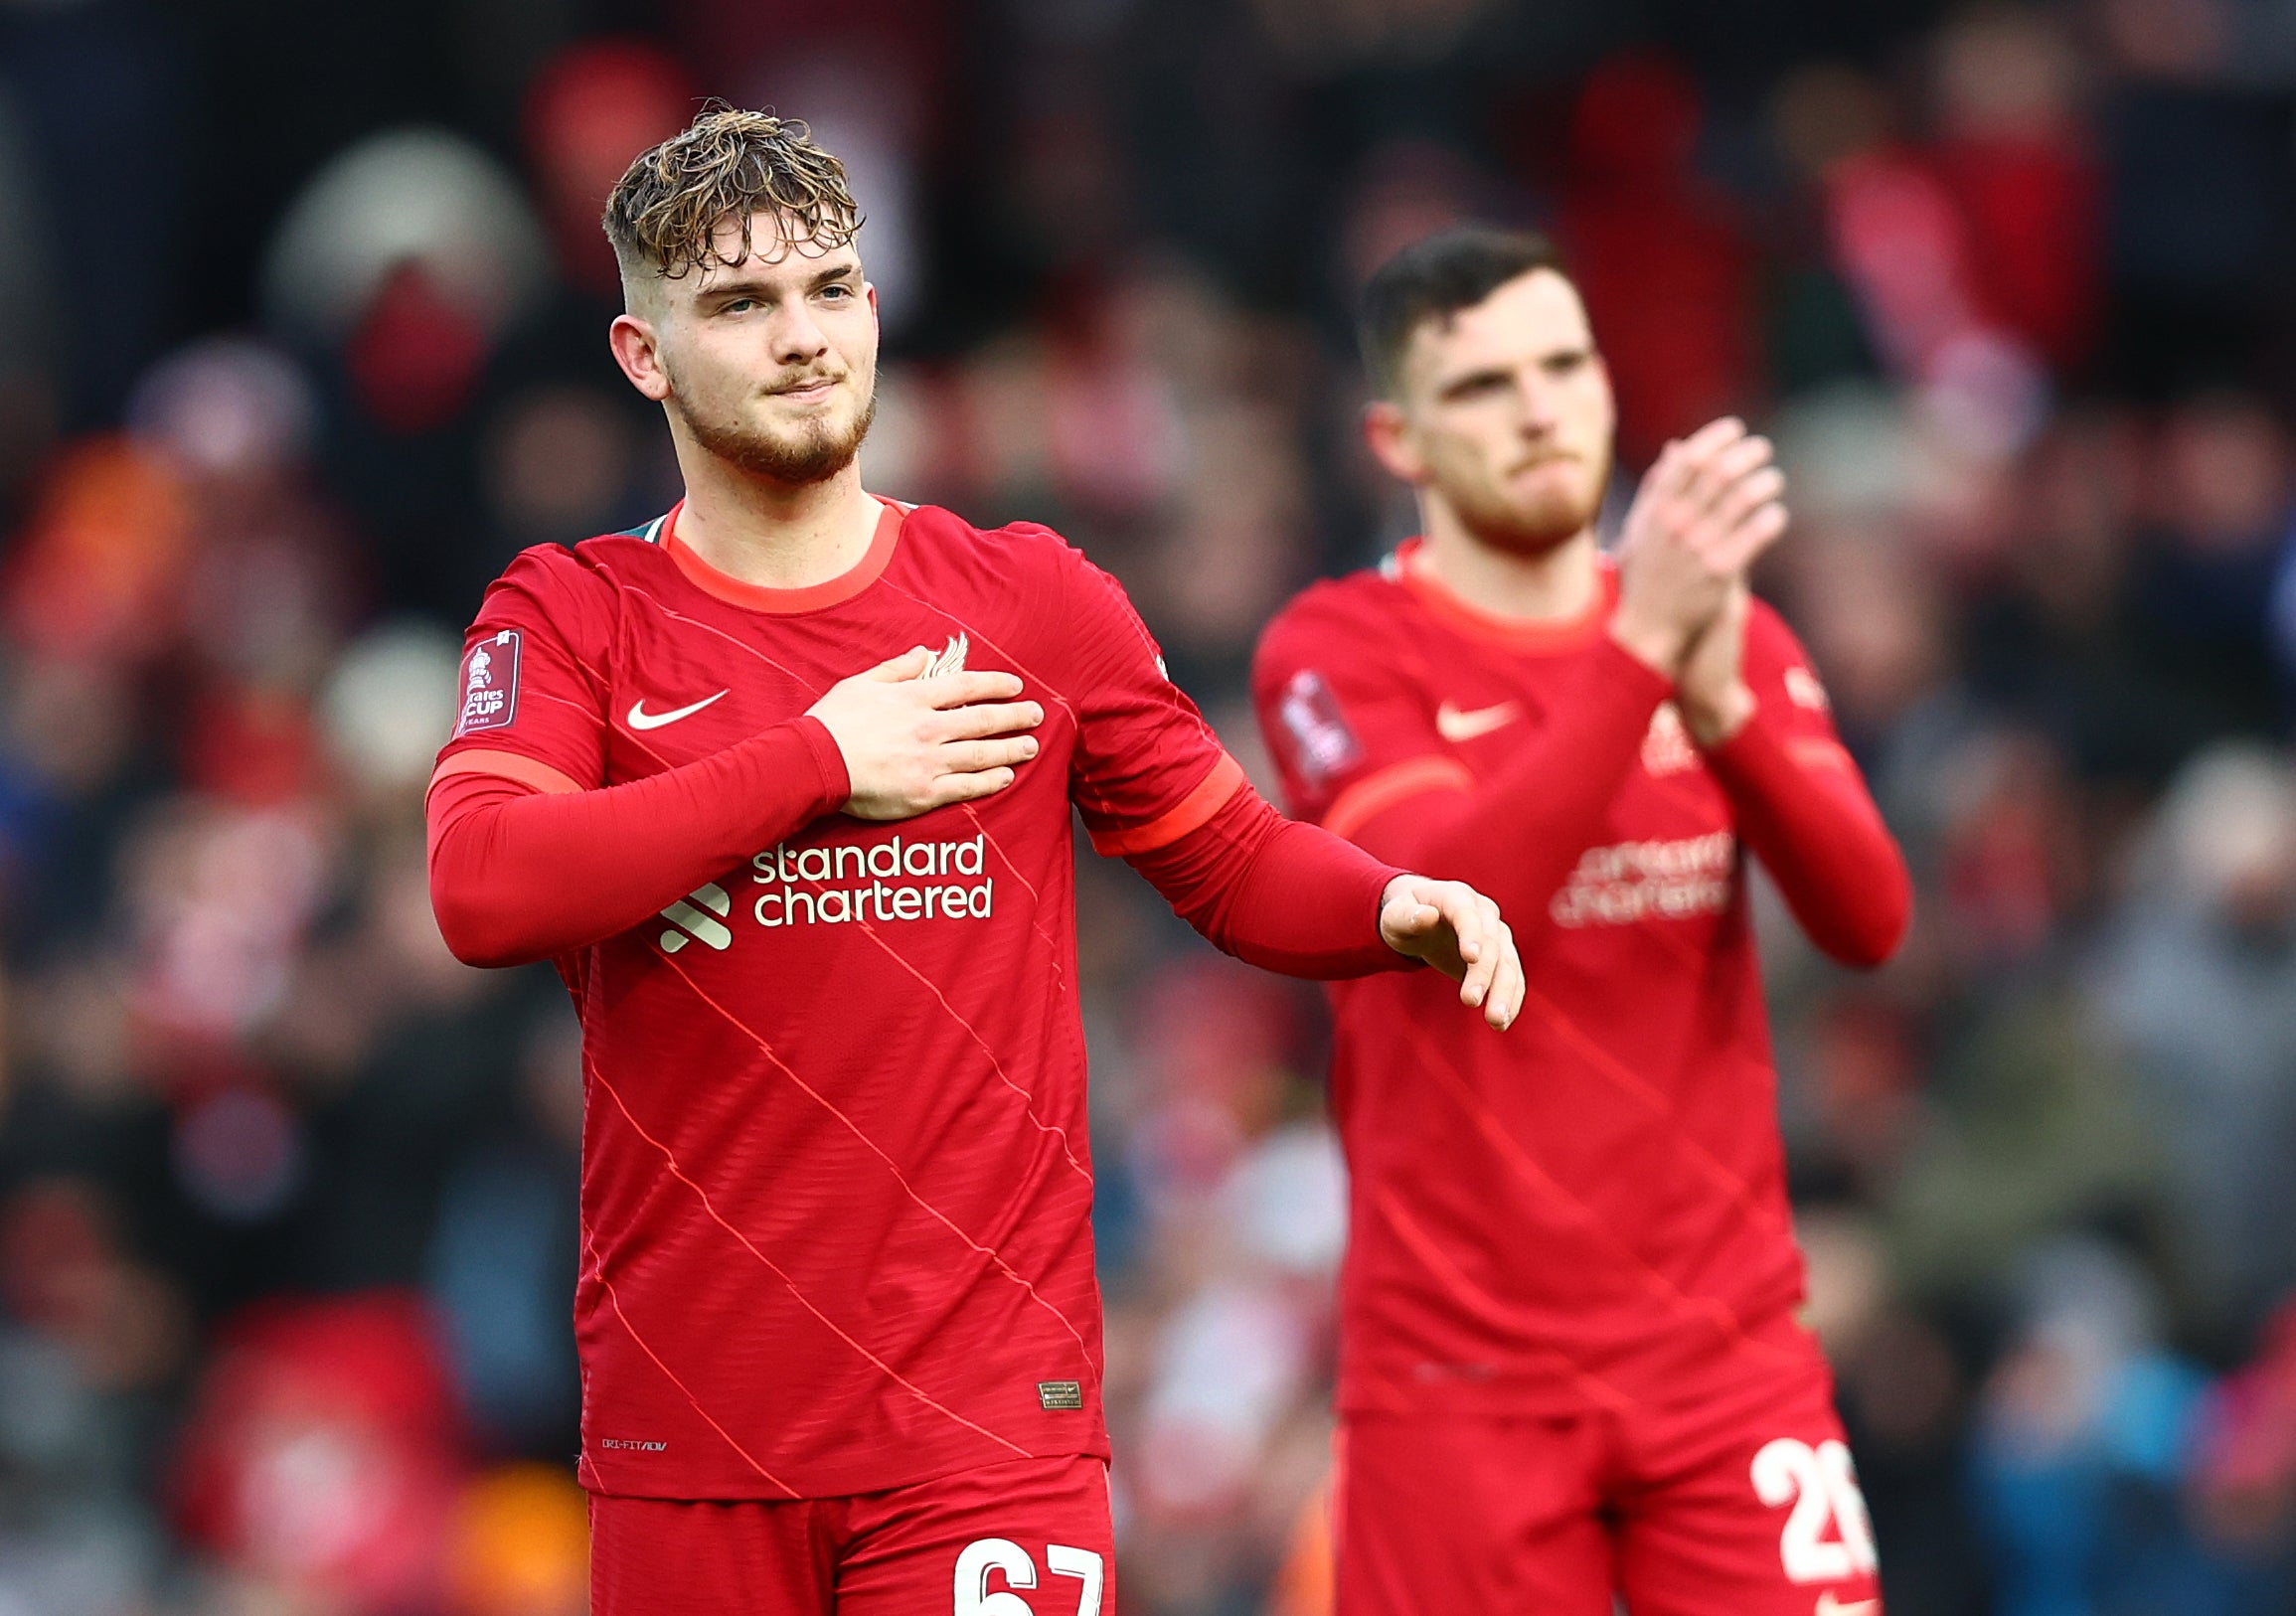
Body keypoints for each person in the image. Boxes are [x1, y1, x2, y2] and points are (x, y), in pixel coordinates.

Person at [423, 111, 1528, 1616]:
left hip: (985, 1427)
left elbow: (1228, 860)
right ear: (644, 355)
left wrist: (1388, 900)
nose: (800, 337)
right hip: (690, 1429)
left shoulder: (1026, 598)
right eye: (739, 305)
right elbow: (483, 885)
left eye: (828, 291)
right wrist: (817, 762)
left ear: (874, 310)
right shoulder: (569, 613)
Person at [1250, 225, 1912, 1616]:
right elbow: (1450, 900)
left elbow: (1866, 921)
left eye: (1565, 363)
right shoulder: (1338, 650)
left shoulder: (1724, 633)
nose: (1542, 407)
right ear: (1397, 439)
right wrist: (1640, 658)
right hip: (1459, 1380)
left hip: (1725, 1358)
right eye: (1484, 385)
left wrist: (1720, 702)